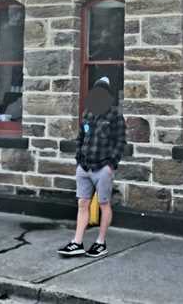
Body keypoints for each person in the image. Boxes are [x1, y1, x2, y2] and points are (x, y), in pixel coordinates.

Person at [57, 76, 126, 258]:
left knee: (104, 204)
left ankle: (100, 243)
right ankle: (77, 242)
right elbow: (81, 137)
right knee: (82, 203)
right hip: (85, 167)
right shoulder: (87, 113)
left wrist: (111, 165)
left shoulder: (115, 115)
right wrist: (79, 158)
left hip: (103, 167)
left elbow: (120, 142)